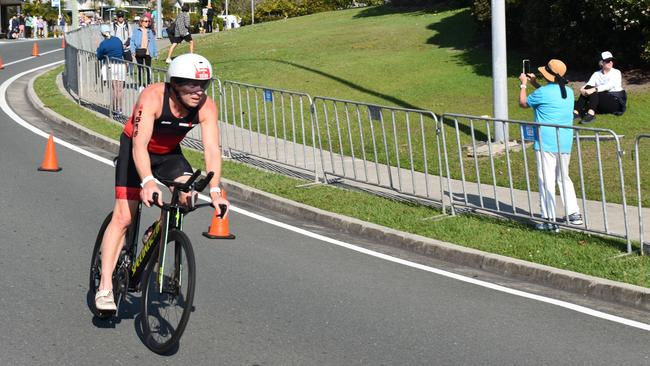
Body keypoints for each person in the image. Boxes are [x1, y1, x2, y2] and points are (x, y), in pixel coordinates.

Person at [94, 54, 229, 312]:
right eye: (191, 84)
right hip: (135, 151)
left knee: (187, 196)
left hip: (169, 154)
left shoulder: (207, 107)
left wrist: (215, 191)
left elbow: (212, 150)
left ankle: (156, 230)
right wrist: (147, 181)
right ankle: (105, 286)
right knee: (124, 217)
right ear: (175, 83)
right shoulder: (153, 97)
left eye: (203, 85)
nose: (198, 91)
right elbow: (139, 144)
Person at [518, 59, 583, 232]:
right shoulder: (568, 92)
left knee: (546, 179)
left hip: (546, 142)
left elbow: (523, 103)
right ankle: (573, 213)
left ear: (547, 74)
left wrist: (524, 85)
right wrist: (535, 83)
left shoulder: (544, 92)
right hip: (565, 141)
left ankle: (548, 218)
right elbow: (550, 96)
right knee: (564, 177)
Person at [574, 51, 627, 123]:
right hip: (602, 99)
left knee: (594, 91)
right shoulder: (596, 74)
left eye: (612, 60)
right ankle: (576, 112)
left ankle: (591, 114)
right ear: (601, 63)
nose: (611, 62)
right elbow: (589, 84)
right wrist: (582, 89)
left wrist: (594, 89)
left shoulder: (616, 72)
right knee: (589, 88)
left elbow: (609, 86)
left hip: (615, 101)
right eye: (608, 61)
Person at [96, 24, 126, 116]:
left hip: (111, 66)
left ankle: (115, 109)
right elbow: (121, 50)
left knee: (114, 89)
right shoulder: (117, 40)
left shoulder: (103, 44)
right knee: (120, 89)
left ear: (102, 34)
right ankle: (120, 109)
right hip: (121, 65)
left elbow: (99, 56)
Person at [130, 14, 158, 88]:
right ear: (141, 22)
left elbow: (153, 42)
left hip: (148, 52)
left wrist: (155, 53)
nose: (147, 22)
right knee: (140, 68)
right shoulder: (136, 31)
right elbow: (132, 41)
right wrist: (133, 51)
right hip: (139, 51)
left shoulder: (150, 31)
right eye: (145, 21)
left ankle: (148, 84)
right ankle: (140, 85)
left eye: (148, 21)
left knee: (148, 68)